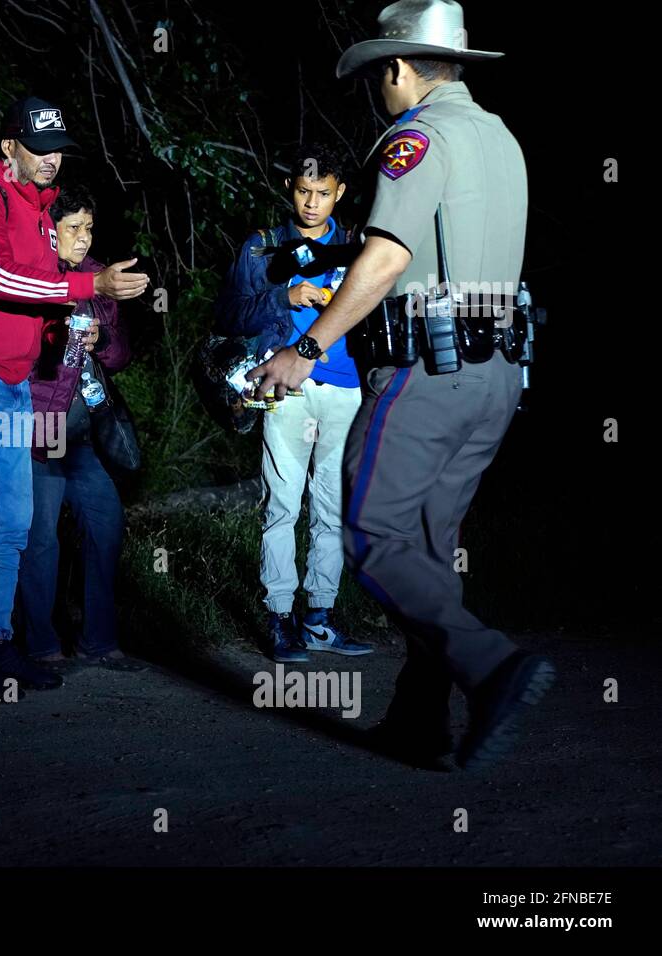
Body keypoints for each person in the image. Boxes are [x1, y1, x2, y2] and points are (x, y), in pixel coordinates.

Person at [246, 0, 553, 769]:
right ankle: (420, 719)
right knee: (427, 543)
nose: (379, 88)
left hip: (428, 373)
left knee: (374, 534)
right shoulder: (502, 138)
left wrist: (306, 349)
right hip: (497, 378)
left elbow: (386, 258)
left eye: (380, 75)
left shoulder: (417, 137)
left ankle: (493, 666)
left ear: (397, 67)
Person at [0, 96, 149, 702]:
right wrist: (90, 285)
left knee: (14, 520)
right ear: (9, 148)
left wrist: (79, 322)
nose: (51, 160)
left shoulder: (47, 211)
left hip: (15, 382)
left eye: (58, 150)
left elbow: (42, 303)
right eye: (38, 147)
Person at [216, 144, 374, 664]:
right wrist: (286, 295)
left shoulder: (359, 247)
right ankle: (279, 615)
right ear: (290, 189)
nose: (312, 203)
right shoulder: (261, 247)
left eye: (323, 193)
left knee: (331, 508)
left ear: (340, 193)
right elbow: (232, 317)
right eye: (304, 191)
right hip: (284, 386)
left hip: (345, 386)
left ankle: (320, 619)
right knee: (282, 505)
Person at [17, 185, 145, 673]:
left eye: (89, 227)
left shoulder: (100, 278)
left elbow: (122, 355)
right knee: (41, 536)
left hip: (85, 428)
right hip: (42, 425)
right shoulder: (34, 276)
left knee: (106, 523)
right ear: (50, 231)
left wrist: (102, 339)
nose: (83, 238)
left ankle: (99, 642)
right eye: (73, 228)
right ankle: (41, 645)